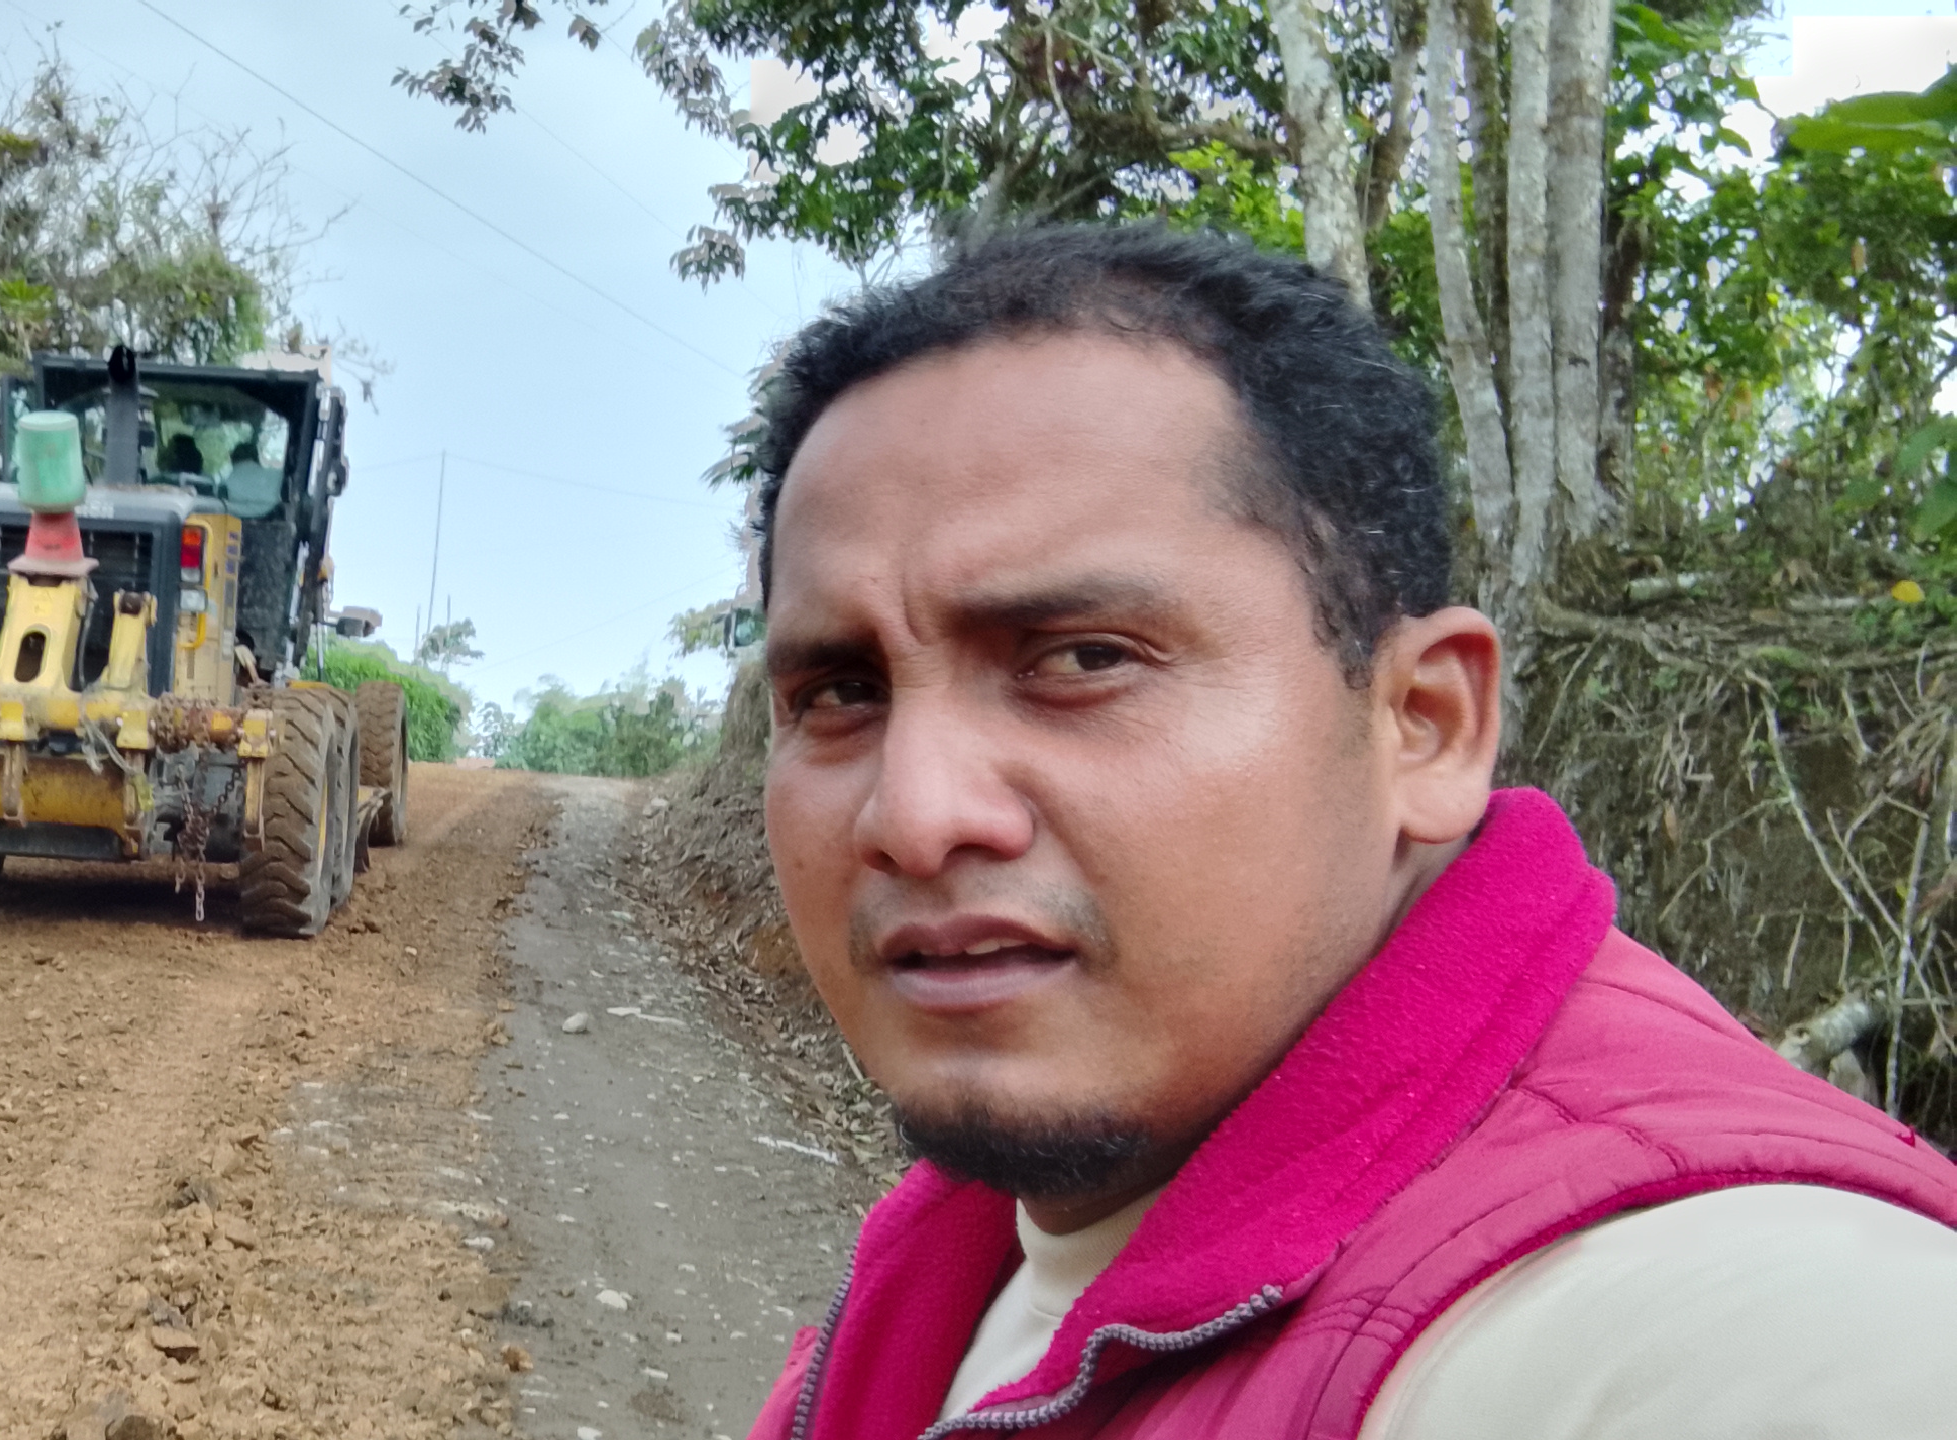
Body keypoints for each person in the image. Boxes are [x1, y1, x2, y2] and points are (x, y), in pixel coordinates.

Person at [743, 224, 1957, 1440]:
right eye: (840, 692)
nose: (913, 817)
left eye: (1082, 659)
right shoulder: (973, 1238)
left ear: (1422, 726)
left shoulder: (1710, 1312)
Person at [217, 440, 282, 520]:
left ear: (232, 459)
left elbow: (221, 510)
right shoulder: (276, 476)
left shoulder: (224, 484)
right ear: (257, 457)